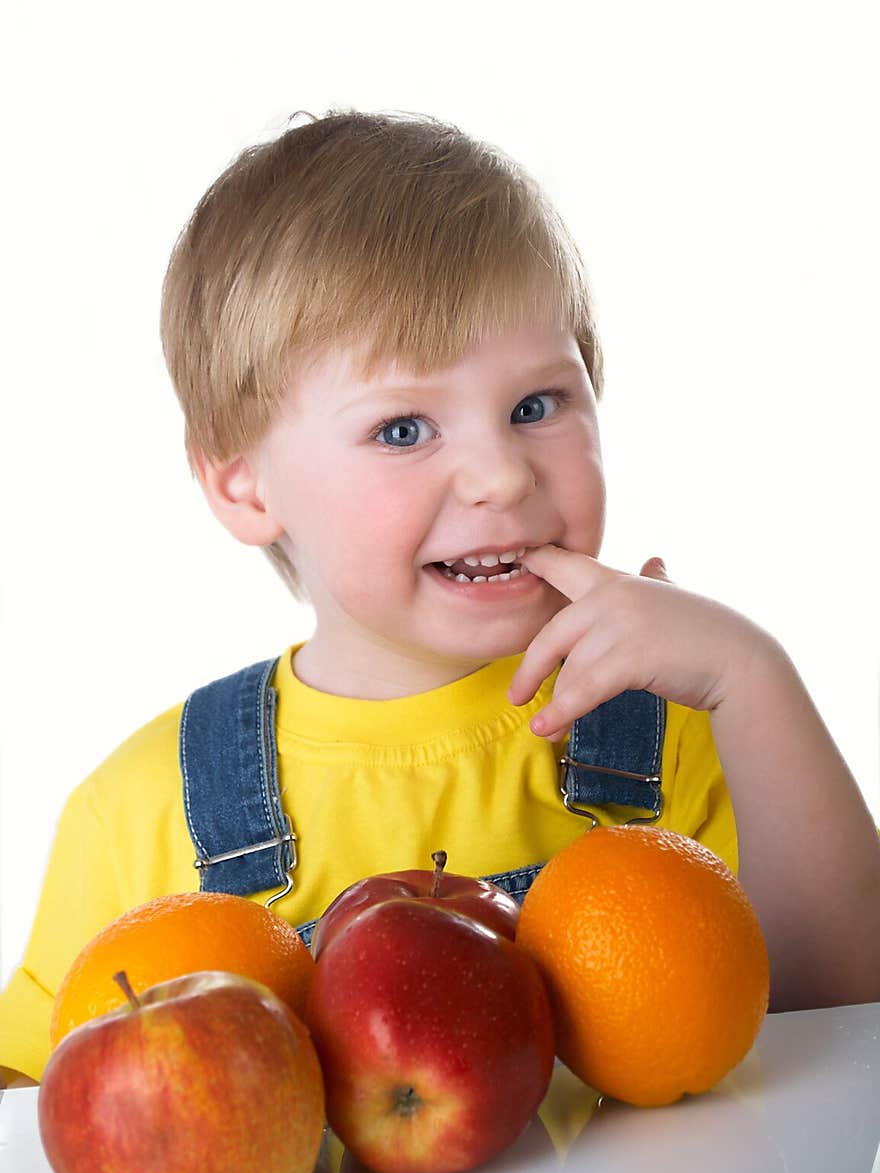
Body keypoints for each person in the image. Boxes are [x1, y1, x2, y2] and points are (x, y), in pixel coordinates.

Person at [1, 107, 878, 1090]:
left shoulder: (676, 724)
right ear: (244, 485)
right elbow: (35, 1119)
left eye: (534, 407)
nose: (501, 475)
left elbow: (840, 1018)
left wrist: (750, 674)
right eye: (404, 428)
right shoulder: (140, 812)